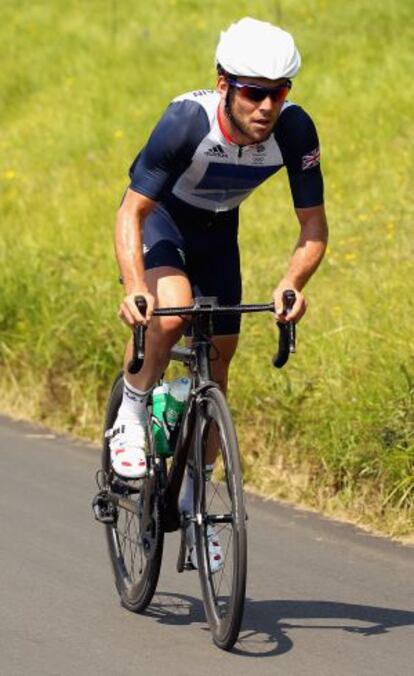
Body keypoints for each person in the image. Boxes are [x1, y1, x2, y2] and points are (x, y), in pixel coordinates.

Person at [108, 17, 328, 566]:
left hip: (218, 233)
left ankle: (196, 498)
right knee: (173, 315)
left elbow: (314, 228)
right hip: (162, 222)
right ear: (225, 83)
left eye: (279, 93)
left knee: (219, 368)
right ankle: (132, 414)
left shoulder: (296, 132)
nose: (267, 107)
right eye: (255, 92)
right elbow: (131, 211)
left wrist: (291, 284)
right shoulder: (187, 122)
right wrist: (136, 286)